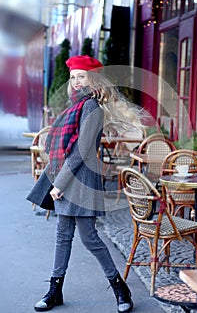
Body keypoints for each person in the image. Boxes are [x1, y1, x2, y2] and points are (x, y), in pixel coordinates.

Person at [27, 55, 146, 313]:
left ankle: (119, 287)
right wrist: (58, 182)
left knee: (90, 238)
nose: (76, 82)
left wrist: (57, 185)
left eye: (81, 76)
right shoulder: (75, 106)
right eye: (73, 78)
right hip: (67, 179)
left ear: (92, 79)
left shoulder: (92, 108)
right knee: (62, 237)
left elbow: (81, 151)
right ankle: (55, 290)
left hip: (81, 182)